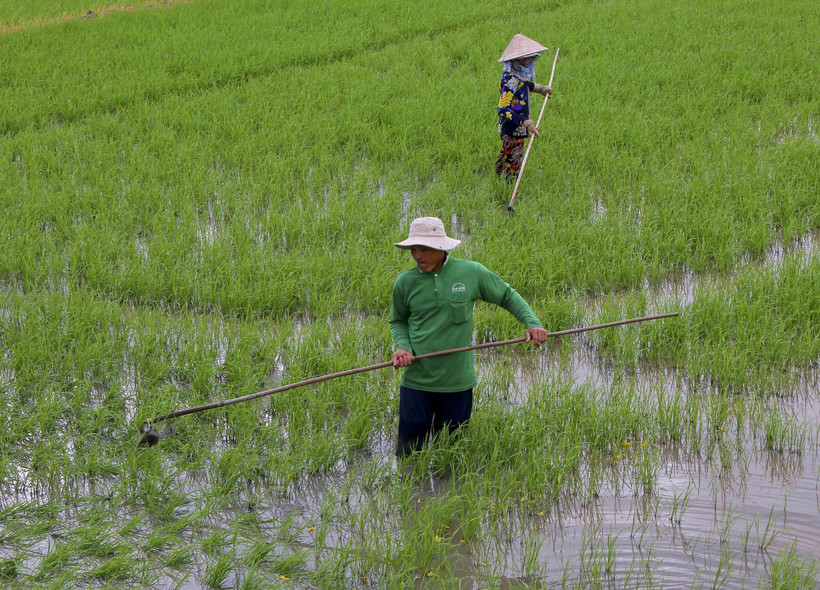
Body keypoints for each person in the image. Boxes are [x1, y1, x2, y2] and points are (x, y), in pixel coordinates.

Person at [389, 216, 549, 457]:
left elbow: (506, 296)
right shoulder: (405, 283)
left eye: (424, 248)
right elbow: (398, 321)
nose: (417, 255)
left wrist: (532, 323)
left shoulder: (470, 272)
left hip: (457, 383)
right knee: (409, 456)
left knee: (452, 456)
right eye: (413, 249)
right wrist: (403, 347)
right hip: (416, 384)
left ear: (441, 248)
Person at [495, 34, 553, 182]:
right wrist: (525, 123)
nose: (527, 62)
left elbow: (526, 85)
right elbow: (502, 110)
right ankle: (507, 188)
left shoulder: (519, 76)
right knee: (513, 160)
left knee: (506, 154)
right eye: (523, 59)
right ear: (515, 60)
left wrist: (540, 89)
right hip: (512, 127)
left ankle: (498, 177)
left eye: (529, 58)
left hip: (518, 126)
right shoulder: (511, 80)